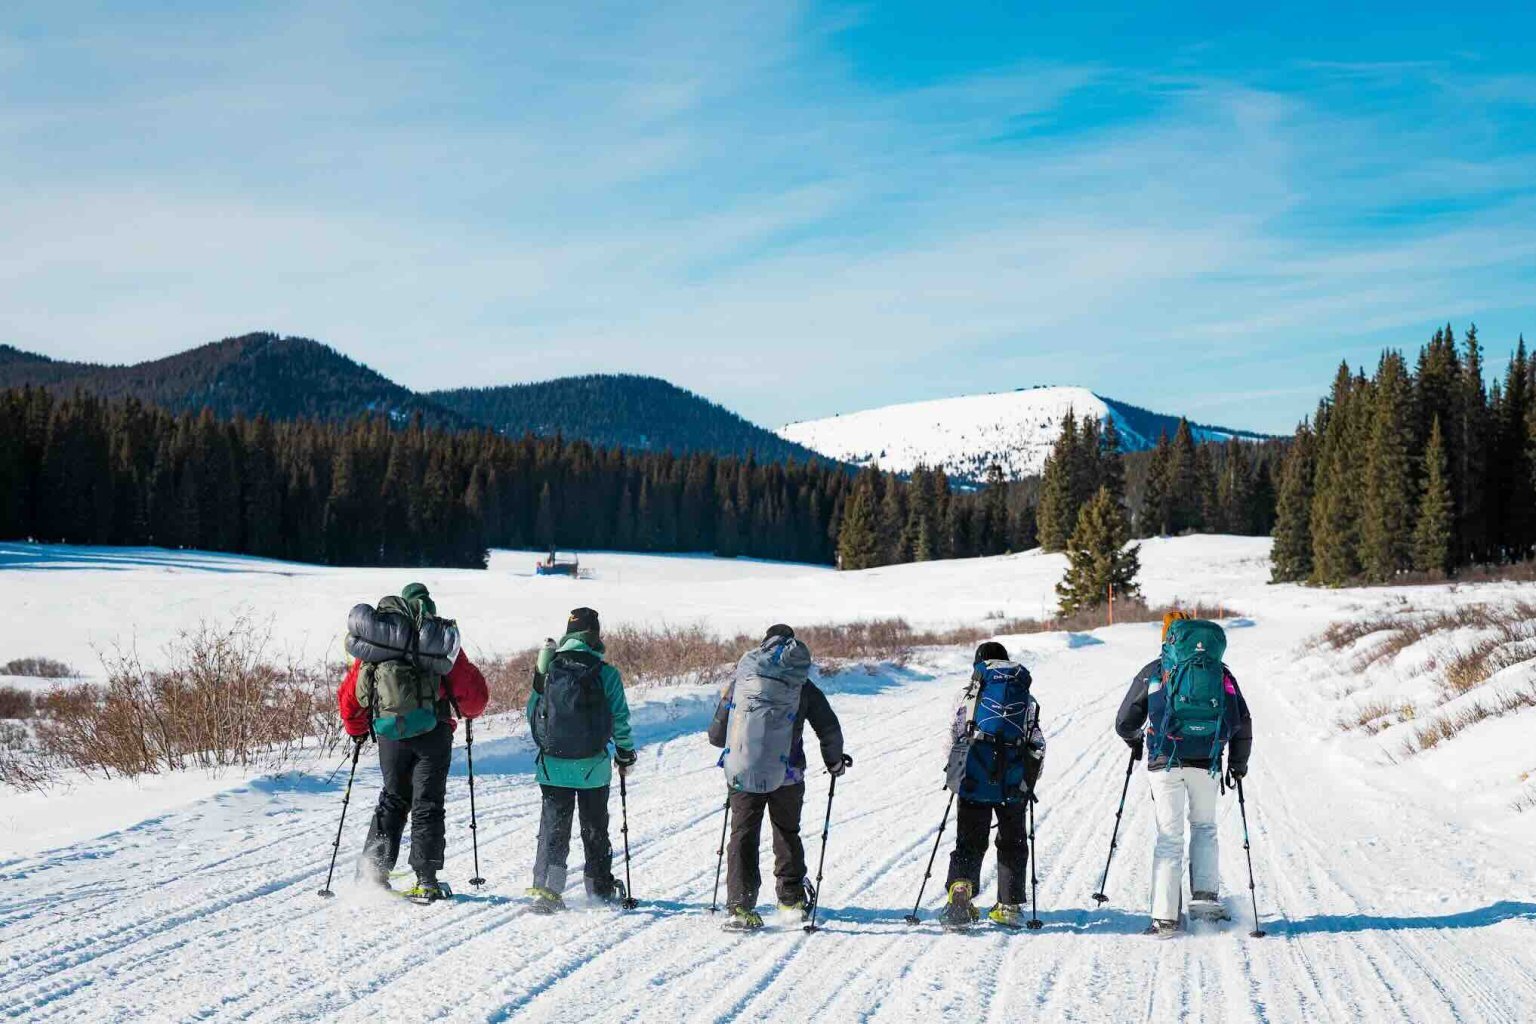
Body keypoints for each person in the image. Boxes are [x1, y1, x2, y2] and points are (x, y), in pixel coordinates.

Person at [338, 582, 488, 902]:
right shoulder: (439, 642)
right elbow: (474, 699)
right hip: (433, 733)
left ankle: (374, 873)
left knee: (393, 797)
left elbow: (351, 694)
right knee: (428, 802)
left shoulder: (380, 643)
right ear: (428, 610)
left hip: (390, 734)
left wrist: (356, 729)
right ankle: (426, 879)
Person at [1115, 611, 1253, 937]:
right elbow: (1242, 721)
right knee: (1204, 826)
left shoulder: (1154, 671)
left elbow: (1124, 722)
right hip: (1206, 761)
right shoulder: (1221, 673)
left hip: (1165, 761)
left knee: (1169, 837)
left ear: (1168, 637)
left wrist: (1136, 742)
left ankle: (1164, 917)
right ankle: (1205, 900)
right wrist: (1238, 763)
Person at [708, 624, 848, 932]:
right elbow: (828, 727)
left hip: (743, 772)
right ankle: (790, 901)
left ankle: (741, 908)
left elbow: (717, 735)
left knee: (743, 834)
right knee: (786, 832)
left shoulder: (742, 681)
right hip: (788, 774)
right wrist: (834, 762)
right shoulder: (800, 684)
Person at [525, 607, 636, 913]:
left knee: (554, 827)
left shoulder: (548, 668)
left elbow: (532, 713)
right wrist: (625, 753)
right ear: (595, 636)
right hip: (593, 768)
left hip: (552, 765)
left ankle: (547, 888)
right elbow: (620, 719)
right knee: (594, 827)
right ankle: (598, 888)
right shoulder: (606, 672)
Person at [940, 641, 1046, 930]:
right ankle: (1009, 907)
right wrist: (1029, 781)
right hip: (1012, 783)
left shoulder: (967, 697)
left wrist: (953, 774)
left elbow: (954, 737)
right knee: (1012, 841)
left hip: (973, 778)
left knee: (969, 841)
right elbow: (1036, 743)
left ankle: (960, 901)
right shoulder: (1026, 699)